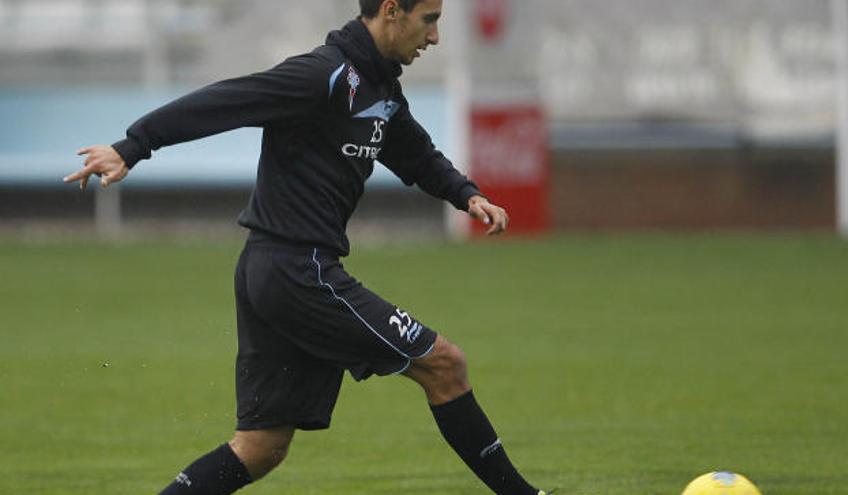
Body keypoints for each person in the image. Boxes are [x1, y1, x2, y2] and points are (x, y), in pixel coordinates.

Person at [64, 1, 549, 494]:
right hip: (298, 272)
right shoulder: (323, 75)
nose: (435, 37)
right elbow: (225, 101)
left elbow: (416, 154)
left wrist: (467, 195)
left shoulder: (378, 88)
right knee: (445, 364)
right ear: (391, 11)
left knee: (261, 447)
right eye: (430, 19)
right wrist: (133, 145)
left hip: (273, 271)